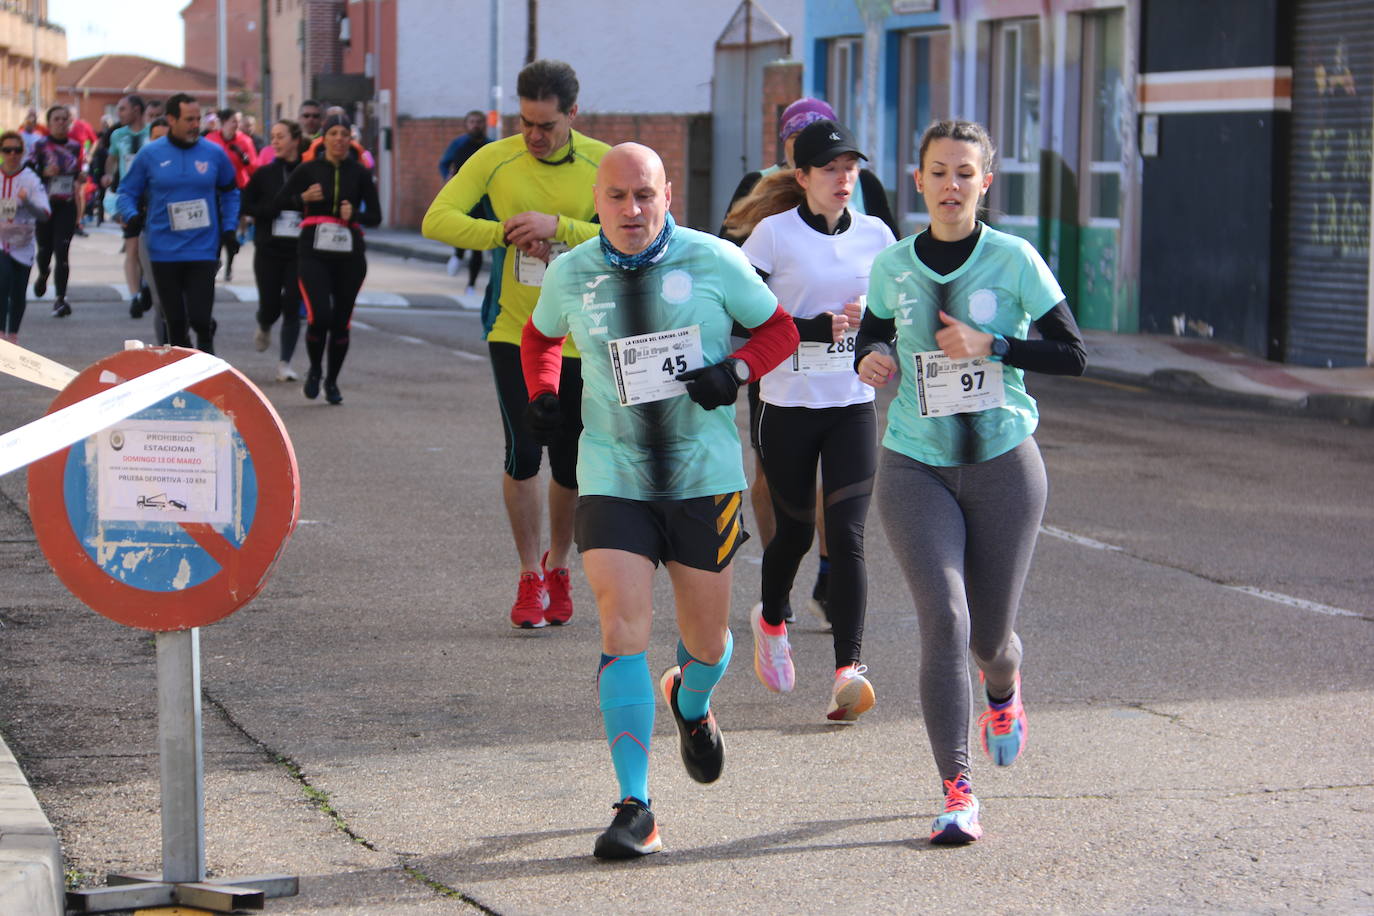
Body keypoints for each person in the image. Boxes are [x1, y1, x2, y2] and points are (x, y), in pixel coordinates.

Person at [520, 142, 799, 859]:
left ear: (667, 193)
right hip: (612, 472)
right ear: (596, 201)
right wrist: (545, 392)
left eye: (644, 194)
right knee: (622, 626)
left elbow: (779, 330)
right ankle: (635, 805)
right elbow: (539, 335)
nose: (631, 209)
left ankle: (692, 700)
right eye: (616, 197)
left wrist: (735, 369)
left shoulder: (714, 260)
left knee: (706, 643)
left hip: (702, 475)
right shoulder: (572, 272)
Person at [854, 119, 1086, 844]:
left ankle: (1004, 687)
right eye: (938, 172)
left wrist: (997, 345)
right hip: (915, 462)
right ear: (917, 180)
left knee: (989, 639)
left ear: (985, 183)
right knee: (945, 621)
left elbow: (1074, 353)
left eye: (965, 173)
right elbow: (872, 332)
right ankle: (958, 791)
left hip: (1003, 464)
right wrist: (871, 359)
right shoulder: (891, 264)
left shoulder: (1015, 259)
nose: (951, 185)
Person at [421, 59, 610, 630]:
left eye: (546, 125)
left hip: (584, 336)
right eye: (525, 123)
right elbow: (438, 219)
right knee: (524, 452)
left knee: (572, 462)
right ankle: (529, 573)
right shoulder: (494, 159)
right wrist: (503, 233)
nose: (534, 136)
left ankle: (559, 566)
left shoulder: (603, 163)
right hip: (517, 332)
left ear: (572, 115)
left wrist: (560, 227)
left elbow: (643, 228)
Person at [735, 119, 895, 719]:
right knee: (796, 533)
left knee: (847, 536)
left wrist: (876, 329)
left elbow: (897, 314)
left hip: (851, 405)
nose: (843, 177)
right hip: (788, 406)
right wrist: (809, 327)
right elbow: (740, 317)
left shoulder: (878, 236)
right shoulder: (771, 238)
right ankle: (770, 619)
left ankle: (848, 670)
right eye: (829, 167)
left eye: (851, 166)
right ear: (800, 176)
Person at [116, 93, 240, 354]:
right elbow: (126, 191)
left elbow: (231, 191)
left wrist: (229, 227)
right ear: (171, 119)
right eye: (189, 119)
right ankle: (182, 380)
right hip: (163, 250)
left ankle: (207, 369)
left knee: (200, 318)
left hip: (203, 248)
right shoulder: (150, 154)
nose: (196, 124)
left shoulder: (213, 153)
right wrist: (132, 216)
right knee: (175, 323)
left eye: (198, 119)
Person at [275, 113, 381, 404]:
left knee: (341, 321)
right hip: (313, 253)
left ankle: (332, 381)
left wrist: (355, 215)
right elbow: (279, 201)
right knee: (319, 316)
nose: (339, 139)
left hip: (350, 255)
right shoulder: (309, 170)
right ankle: (314, 370)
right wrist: (302, 200)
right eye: (333, 133)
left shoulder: (359, 173)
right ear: (324, 138)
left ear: (350, 139)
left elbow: (376, 216)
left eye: (344, 134)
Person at [243, 118, 304, 381]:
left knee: (293, 304)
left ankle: (285, 364)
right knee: (270, 304)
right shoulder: (264, 174)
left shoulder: (309, 171)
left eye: (281, 136)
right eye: (273, 137)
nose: (275, 142)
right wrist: (273, 209)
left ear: (295, 140)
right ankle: (265, 321)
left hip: (300, 250)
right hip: (268, 249)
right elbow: (247, 206)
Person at [31, 105, 84, 319]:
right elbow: (29, 170)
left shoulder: (75, 146)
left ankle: (60, 299)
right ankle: (44, 273)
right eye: (57, 119)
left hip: (66, 204)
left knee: (62, 252)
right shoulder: (40, 145)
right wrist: (43, 171)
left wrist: (81, 177)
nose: (61, 122)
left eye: (65, 119)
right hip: (44, 205)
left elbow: (81, 169)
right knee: (44, 251)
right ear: (50, 122)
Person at [103, 94, 151, 318]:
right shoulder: (117, 135)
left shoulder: (152, 132)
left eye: (123, 109)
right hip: (129, 196)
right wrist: (106, 175)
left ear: (136, 110)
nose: (119, 113)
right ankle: (134, 297)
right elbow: (111, 159)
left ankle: (147, 284)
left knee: (148, 248)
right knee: (131, 247)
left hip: (152, 196)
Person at [0, 131, 50, 342]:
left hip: (23, 244)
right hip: (1, 243)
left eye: (17, 150)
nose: (12, 154)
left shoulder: (30, 179)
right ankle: (1, 332)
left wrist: (27, 202)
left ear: (23, 152)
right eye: (7, 150)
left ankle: (13, 334)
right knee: (3, 281)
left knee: (19, 291)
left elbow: (45, 215)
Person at [437, 109, 489, 293]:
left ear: (485, 125)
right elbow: (444, 164)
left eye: (479, 121)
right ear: (466, 125)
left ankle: (471, 284)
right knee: (461, 230)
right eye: (472, 121)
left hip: (483, 199)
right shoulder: (458, 144)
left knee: (477, 244)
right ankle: (458, 254)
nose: (476, 125)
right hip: (464, 196)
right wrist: (447, 178)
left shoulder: (490, 146)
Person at [204, 109, 257, 282]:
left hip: (237, 190)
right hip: (214, 190)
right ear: (224, 122)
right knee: (216, 229)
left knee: (230, 228)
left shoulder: (245, 141)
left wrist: (244, 158)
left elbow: (253, 169)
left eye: (238, 121)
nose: (236, 125)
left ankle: (229, 266)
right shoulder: (210, 139)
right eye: (233, 121)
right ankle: (214, 262)